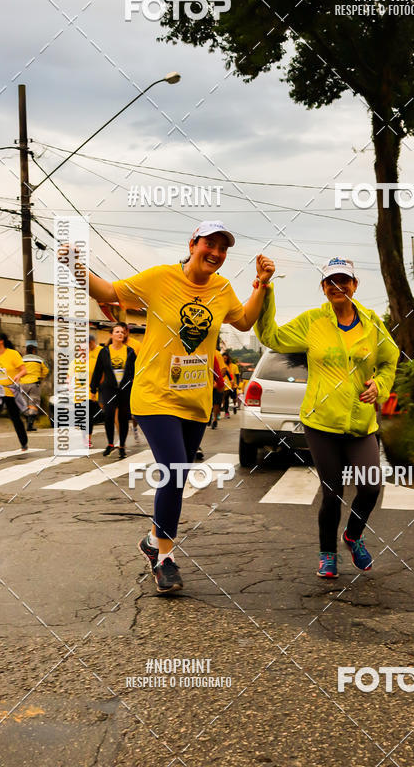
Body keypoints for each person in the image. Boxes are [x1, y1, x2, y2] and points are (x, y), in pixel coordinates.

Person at [78, 220, 274, 594]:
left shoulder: (222, 289)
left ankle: (152, 540)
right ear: (193, 244)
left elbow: (245, 321)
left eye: (223, 248)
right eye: (209, 245)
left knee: (178, 477)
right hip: (154, 394)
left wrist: (262, 285)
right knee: (173, 469)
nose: (215, 253)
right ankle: (165, 559)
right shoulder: (159, 279)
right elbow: (107, 290)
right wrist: (76, 266)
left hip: (195, 399)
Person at [255, 257, 399, 579]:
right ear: (323, 288)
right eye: (331, 281)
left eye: (344, 280)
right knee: (332, 492)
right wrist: (266, 289)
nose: (338, 286)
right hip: (321, 424)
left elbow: (391, 360)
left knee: (371, 486)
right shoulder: (311, 322)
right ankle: (327, 554)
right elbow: (271, 337)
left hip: (360, 423)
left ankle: (353, 535)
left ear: (354, 285)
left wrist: (381, 386)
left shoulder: (373, 323)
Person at [90, 324, 135, 458]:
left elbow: (134, 372)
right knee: (109, 415)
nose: (120, 334)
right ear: (111, 335)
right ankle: (110, 444)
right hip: (108, 388)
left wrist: (133, 385)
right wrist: (93, 388)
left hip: (124, 389)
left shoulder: (130, 352)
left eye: (122, 332)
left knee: (123, 418)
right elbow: (98, 371)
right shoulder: (104, 352)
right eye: (117, 332)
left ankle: (122, 446)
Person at [0, 332, 29, 453]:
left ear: (1, 341)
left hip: (10, 391)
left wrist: (18, 376)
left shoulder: (13, 354)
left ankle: (24, 442)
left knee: (15, 417)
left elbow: (23, 370)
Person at [21, 342, 50, 431]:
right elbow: (46, 370)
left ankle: (27, 422)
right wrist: (40, 377)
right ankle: (30, 424)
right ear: (34, 351)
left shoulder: (21, 359)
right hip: (34, 383)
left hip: (22, 384)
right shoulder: (39, 359)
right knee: (33, 403)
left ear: (26, 351)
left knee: (24, 404)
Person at [222, 351, 240, 418]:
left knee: (234, 398)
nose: (224, 360)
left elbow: (237, 376)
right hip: (226, 386)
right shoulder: (222, 366)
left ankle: (235, 405)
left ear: (228, 358)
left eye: (225, 358)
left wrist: (237, 384)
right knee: (226, 399)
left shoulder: (234, 366)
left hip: (233, 385)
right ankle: (226, 412)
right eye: (223, 358)